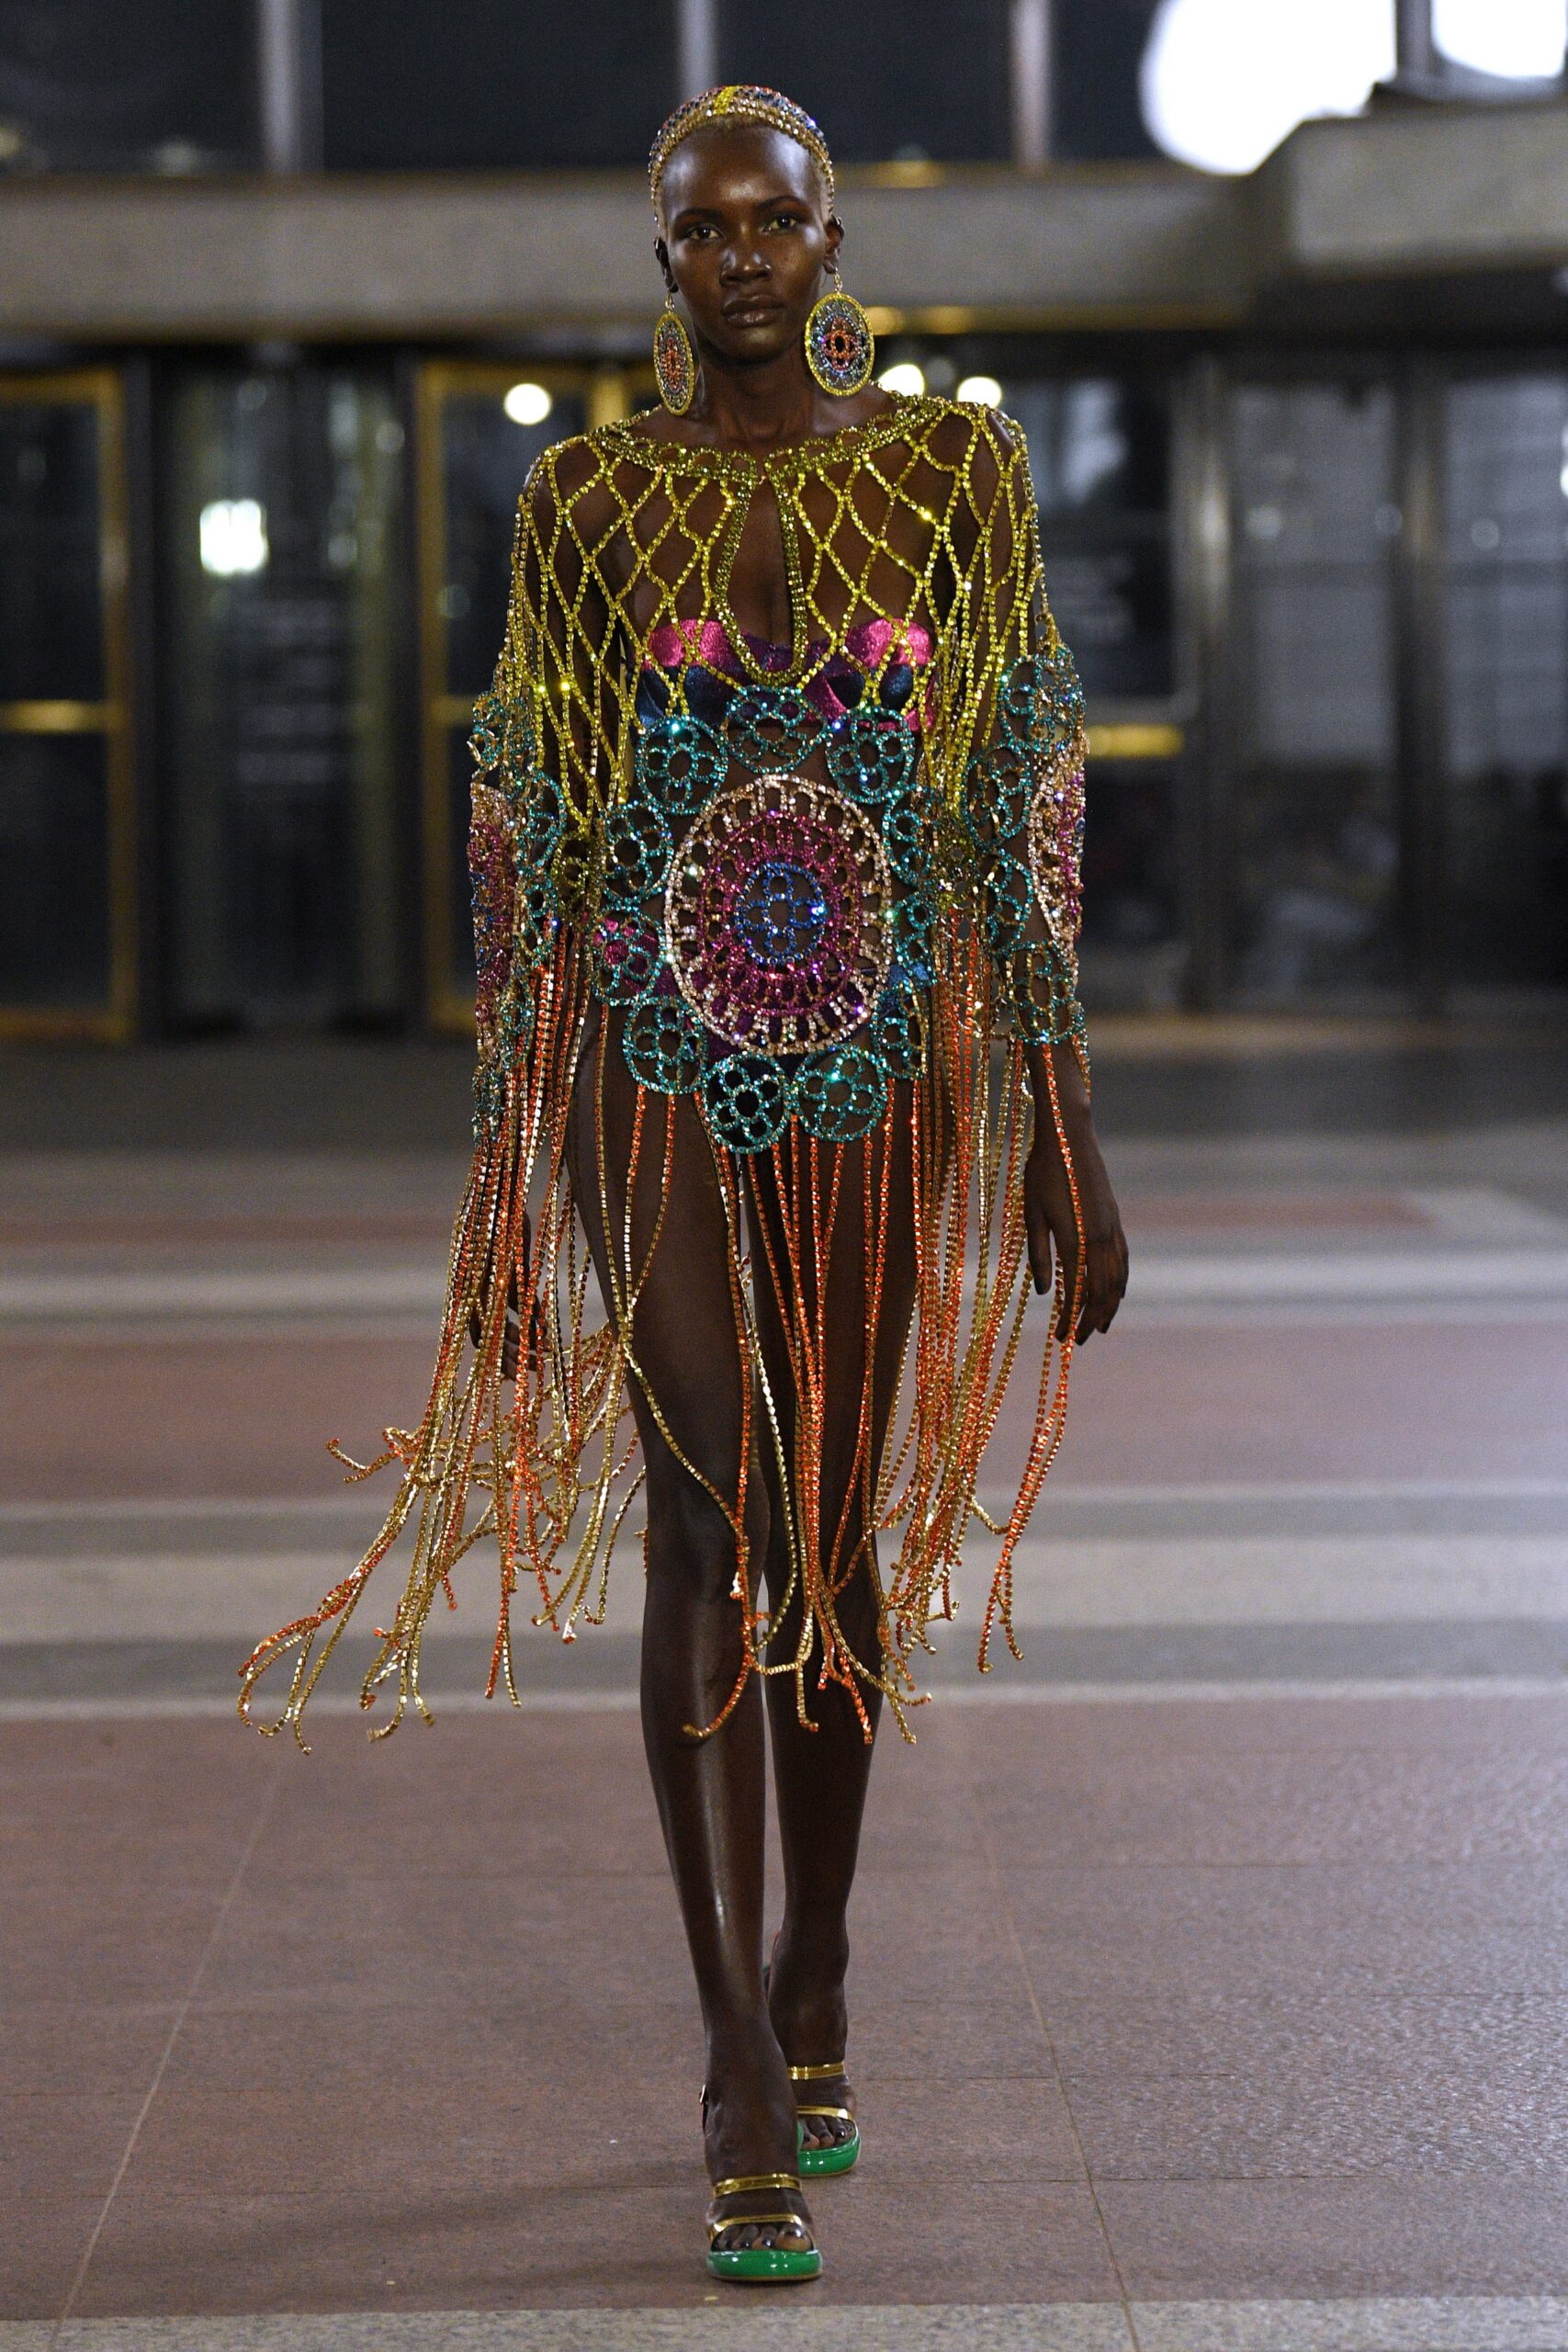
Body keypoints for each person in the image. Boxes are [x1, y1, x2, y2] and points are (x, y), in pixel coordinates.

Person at [242, 83, 1127, 2287]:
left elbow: (1018, 778)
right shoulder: (583, 500)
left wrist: (1065, 1123)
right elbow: (527, 843)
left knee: (827, 1541)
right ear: (661, 257)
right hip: (644, 1063)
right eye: (698, 227)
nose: (737, 257)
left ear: (831, 243)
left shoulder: (951, 473)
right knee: (709, 1515)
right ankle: (730, 2040)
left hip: (872, 1072)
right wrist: (495, 1200)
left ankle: (818, 1953)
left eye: (773, 222)